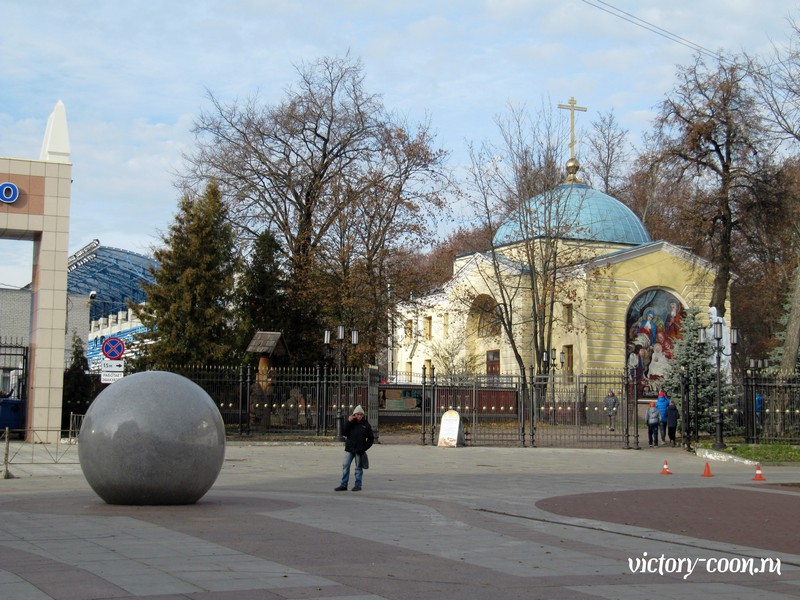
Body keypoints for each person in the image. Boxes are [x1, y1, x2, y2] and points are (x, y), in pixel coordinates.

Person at [335, 405, 374, 492]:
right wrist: (348, 422)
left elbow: (371, 438)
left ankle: (358, 485)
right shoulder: (351, 423)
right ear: (354, 415)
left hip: (359, 450)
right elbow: (344, 433)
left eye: (361, 414)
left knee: (358, 468)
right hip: (350, 448)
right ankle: (343, 484)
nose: (359, 416)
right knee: (345, 465)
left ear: (363, 415)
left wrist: (364, 448)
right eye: (357, 414)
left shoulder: (366, 425)